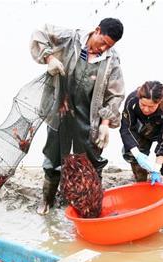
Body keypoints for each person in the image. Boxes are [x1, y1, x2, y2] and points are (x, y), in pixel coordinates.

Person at [30, 18, 125, 214]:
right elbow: (40, 32)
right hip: (60, 108)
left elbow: (115, 94)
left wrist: (105, 123)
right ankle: (47, 200)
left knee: (91, 159)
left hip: (88, 114)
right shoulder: (71, 39)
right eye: (103, 42)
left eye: (110, 46)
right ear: (96, 31)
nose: (104, 48)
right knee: (53, 154)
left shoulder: (111, 61)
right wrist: (49, 58)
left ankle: (89, 204)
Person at [119, 81, 163, 204]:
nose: (146, 109)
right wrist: (137, 154)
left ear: (159, 102)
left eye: (150, 106)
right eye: (143, 105)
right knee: (133, 148)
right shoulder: (132, 101)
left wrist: (156, 168)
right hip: (145, 120)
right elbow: (126, 129)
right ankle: (141, 185)